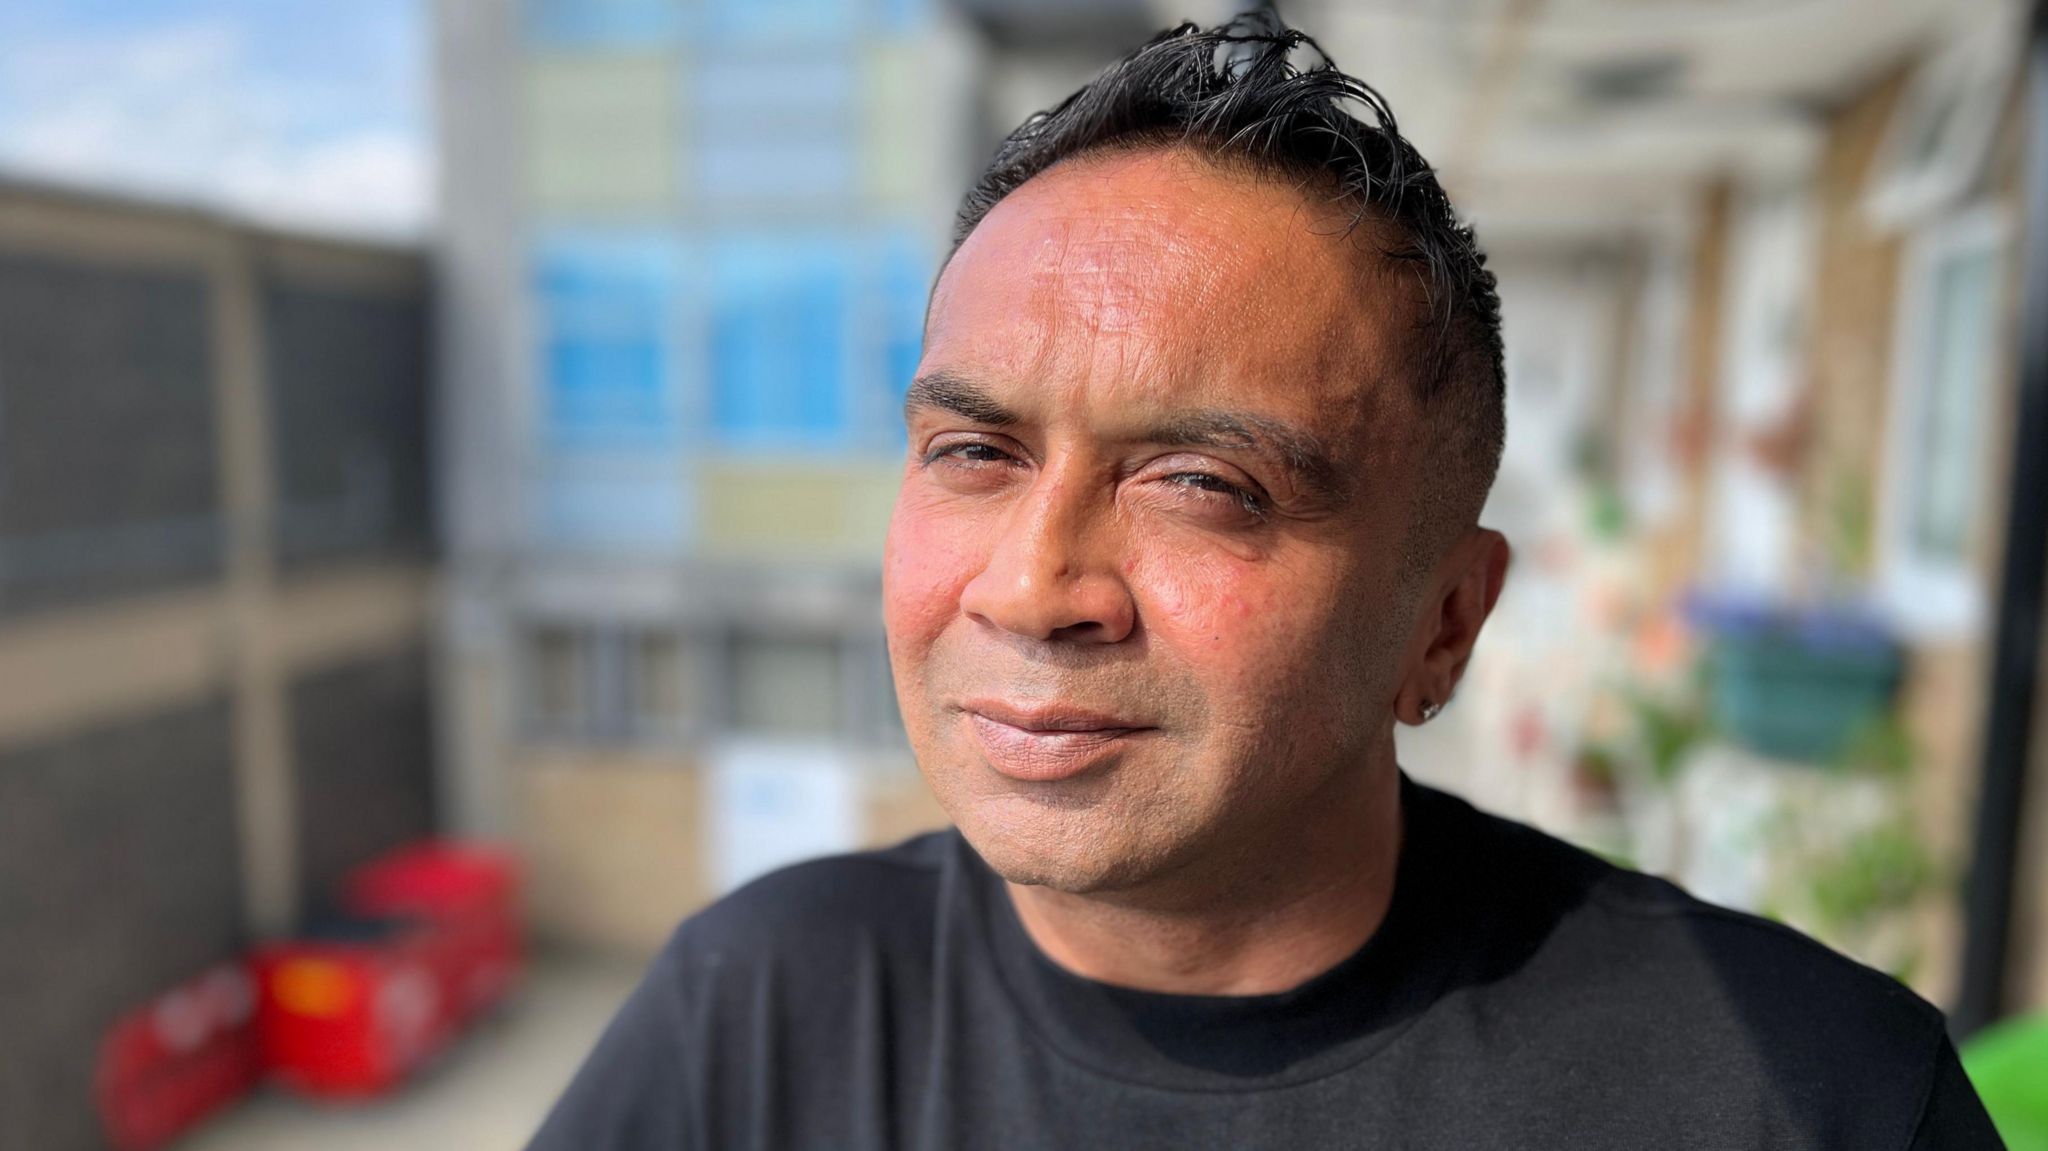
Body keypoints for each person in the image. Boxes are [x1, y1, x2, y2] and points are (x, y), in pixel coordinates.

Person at [529, 14, 2004, 1149]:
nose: (1035, 587)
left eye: (1204, 486)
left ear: (1445, 623)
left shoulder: (1796, 1097)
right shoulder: (757, 1016)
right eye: (974, 450)